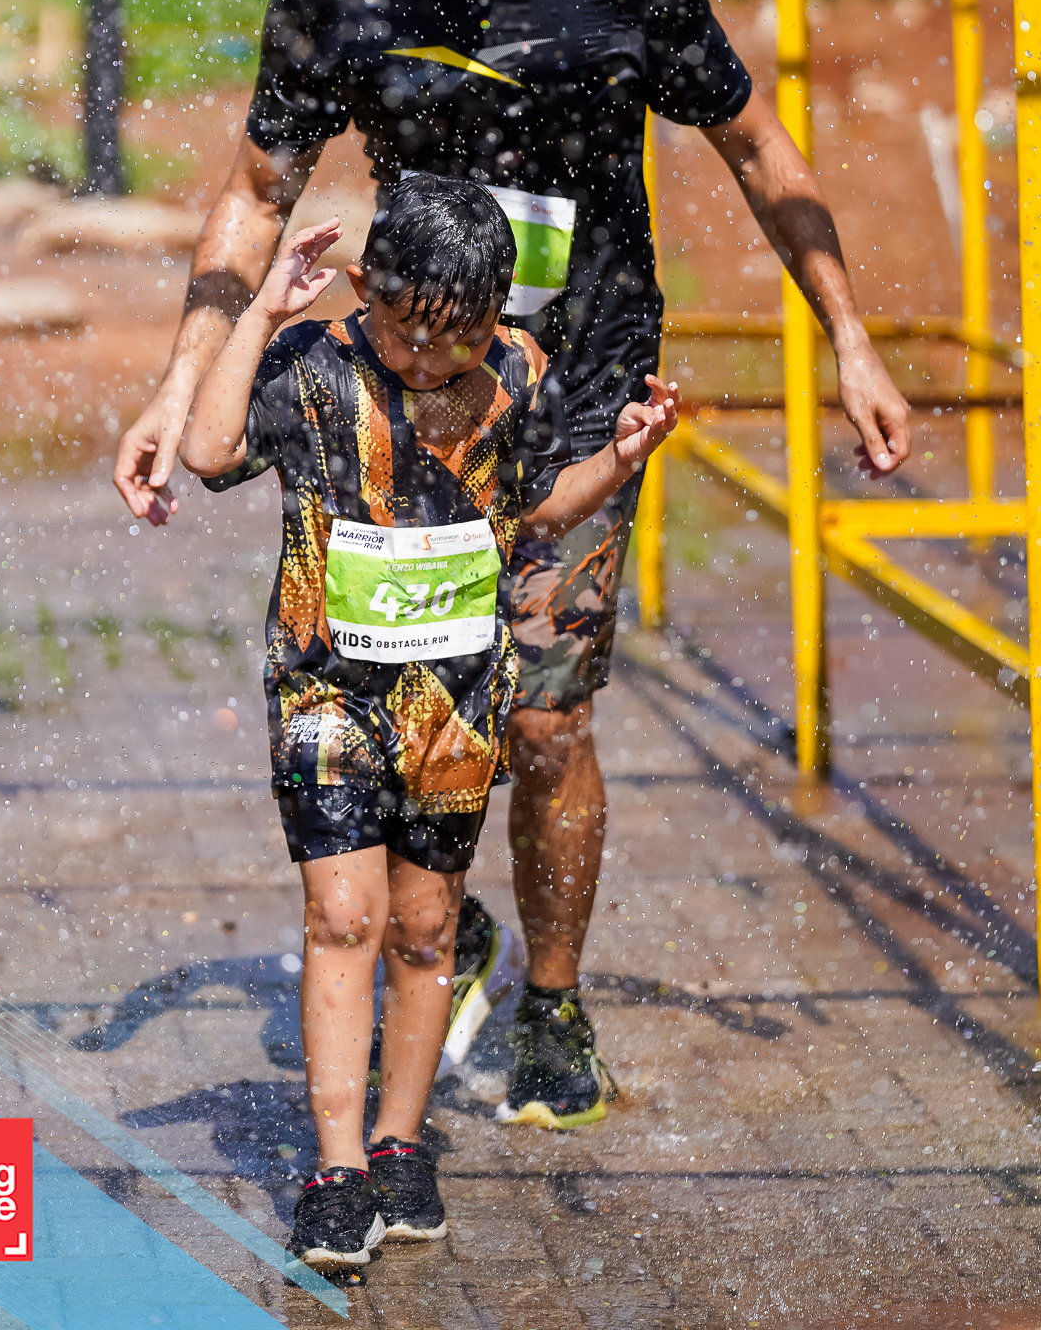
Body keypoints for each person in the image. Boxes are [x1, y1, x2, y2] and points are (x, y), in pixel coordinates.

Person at [116, 0, 911, 1130]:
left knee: (543, 719)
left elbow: (754, 145)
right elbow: (256, 191)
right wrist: (178, 383)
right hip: (403, 392)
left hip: (578, 389)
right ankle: (443, 924)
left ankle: (551, 1002)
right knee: (386, 691)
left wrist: (848, 338)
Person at [179, 176, 678, 1267]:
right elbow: (208, 454)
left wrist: (620, 459)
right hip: (325, 690)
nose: (424, 360)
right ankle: (336, 1169)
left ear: (499, 316)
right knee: (341, 917)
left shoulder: (517, 373)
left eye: (455, 342)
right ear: (367, 287)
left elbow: (533, 507)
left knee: (423, 929)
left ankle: (401, 1147)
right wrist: (262, 311)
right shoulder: (313, 365)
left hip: (455, 702)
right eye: (405, 333)